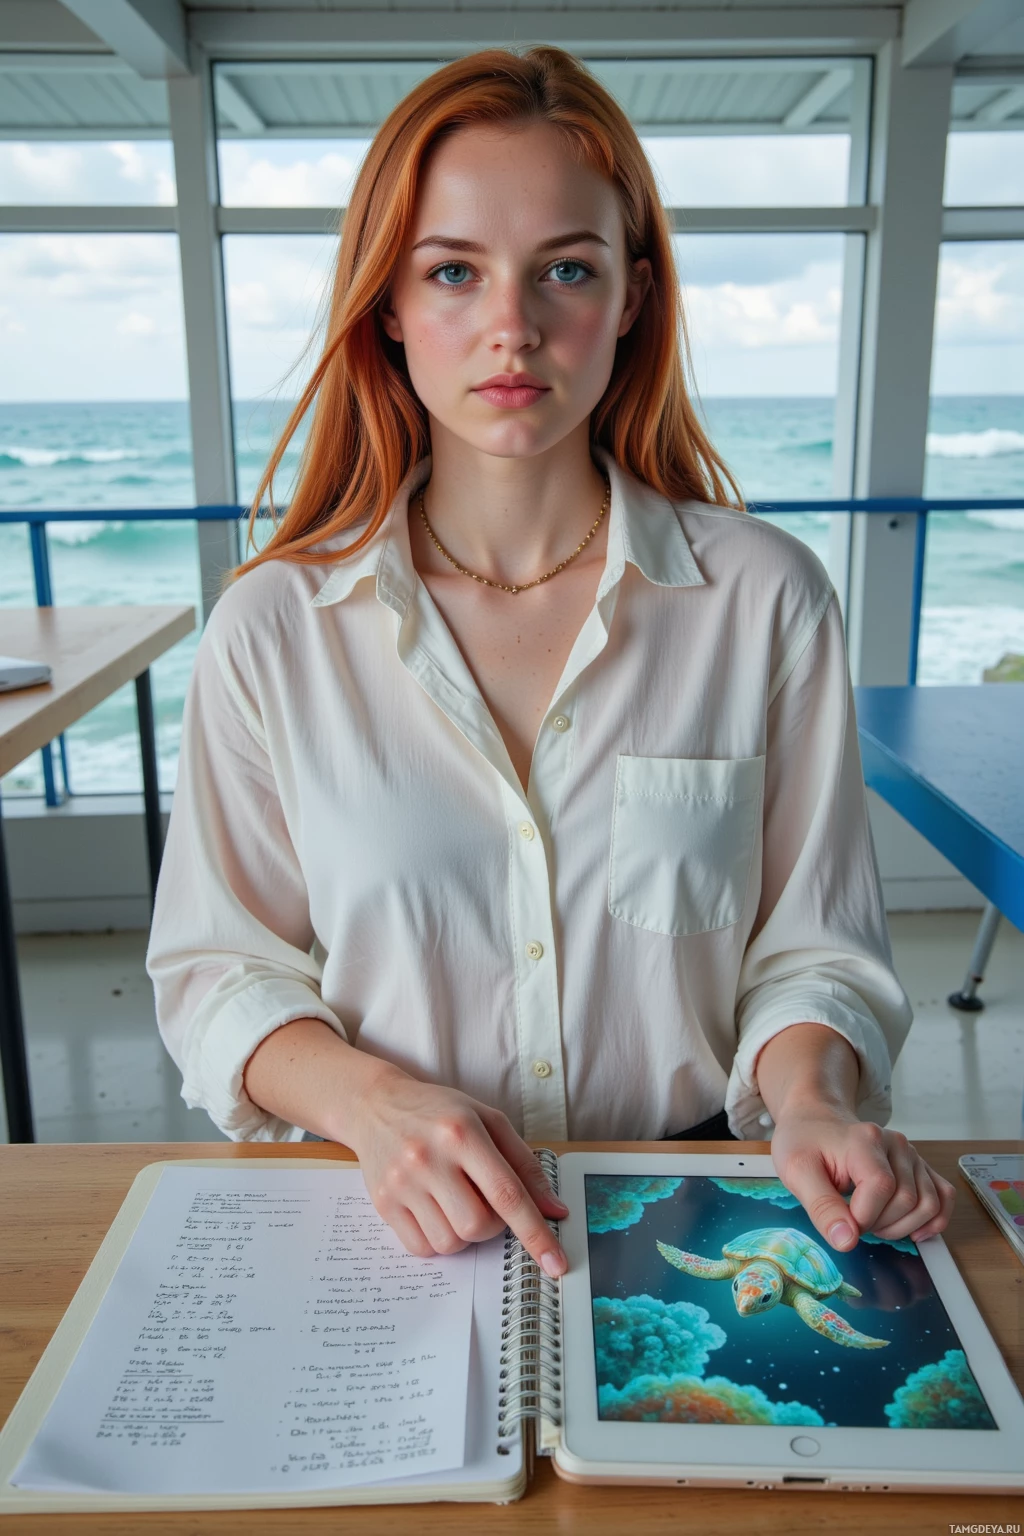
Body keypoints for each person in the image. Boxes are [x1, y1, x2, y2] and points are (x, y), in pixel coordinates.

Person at [146, 46, 955, 1283]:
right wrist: (368, 1104)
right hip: (388, 1227)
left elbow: (812, 948)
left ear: (631, 296)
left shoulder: (764, 597)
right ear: (389, 307)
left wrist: (807, 1099)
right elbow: (220, 972)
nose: (511, 327)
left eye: (563, 270)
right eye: (454, 272)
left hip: (697, 1223)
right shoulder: (272, 627)